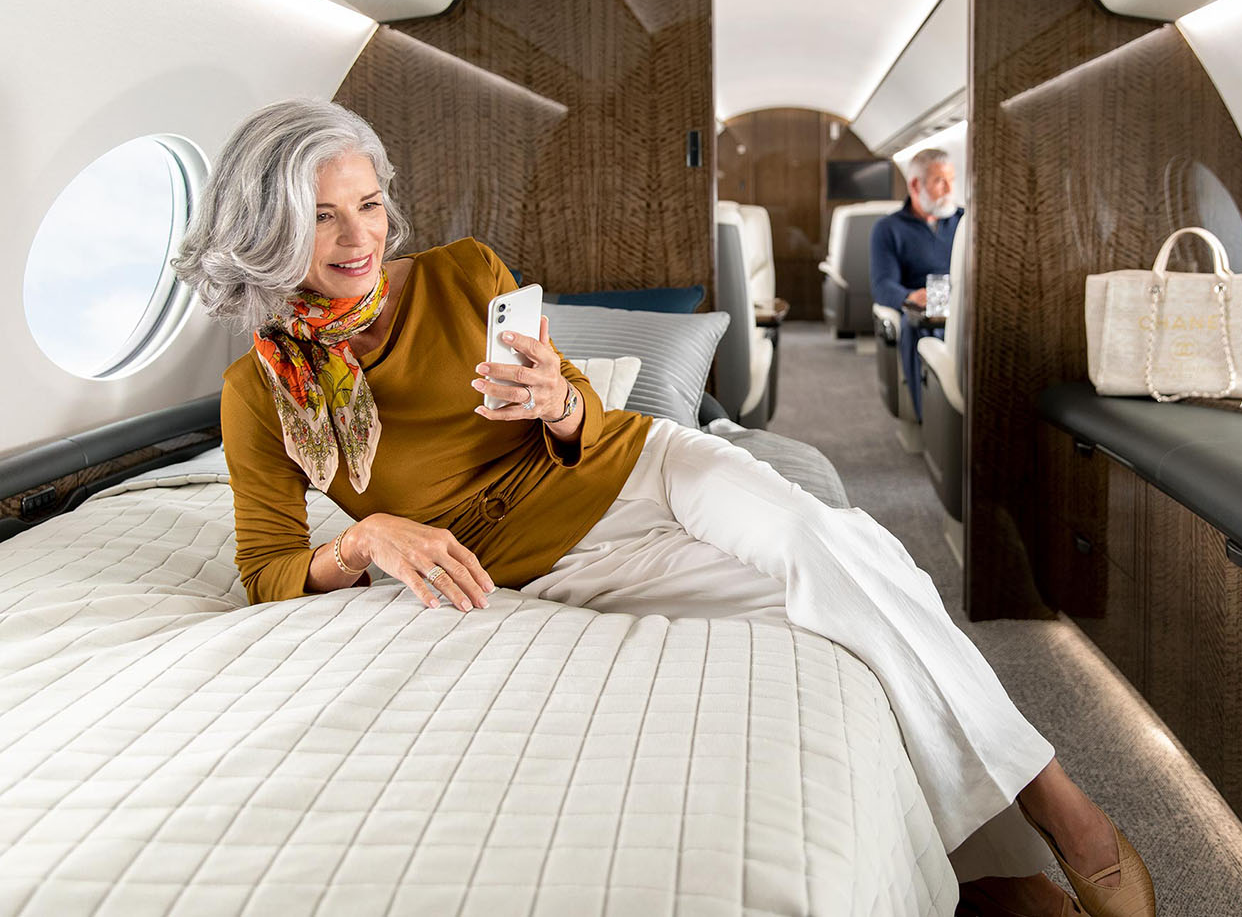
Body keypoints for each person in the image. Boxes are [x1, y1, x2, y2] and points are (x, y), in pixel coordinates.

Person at [172, 99, 1156, 917]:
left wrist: (557, 397)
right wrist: (366, 540)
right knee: (854, 611)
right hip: (559, 562)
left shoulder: (463, 271)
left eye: (371, 205)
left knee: (825, 540)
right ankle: (994, 870)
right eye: (324, 217)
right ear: (267, 232)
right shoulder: (260, 396)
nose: (360, 238)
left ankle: (1062, 808)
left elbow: (589, 423)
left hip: (642, 463)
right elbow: (266, 569)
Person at [869, 147, 963, 421]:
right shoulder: (888, 228)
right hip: (921, 316)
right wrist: (911, 296)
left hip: (961, 309)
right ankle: (934, 421)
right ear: (914, 184)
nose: (948, 188)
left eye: (951, 180)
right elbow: (882, 285)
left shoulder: (964, 221)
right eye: (939, 181)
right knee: (918, 329)